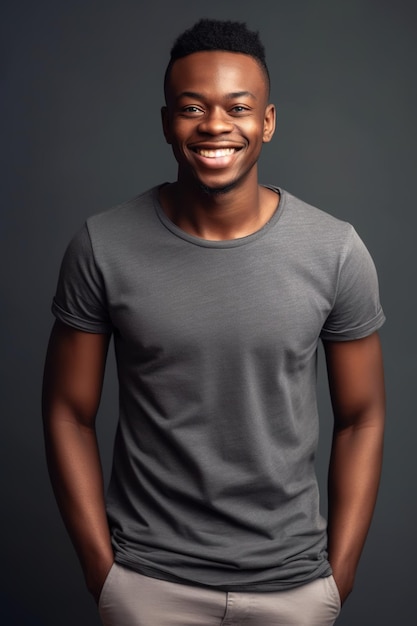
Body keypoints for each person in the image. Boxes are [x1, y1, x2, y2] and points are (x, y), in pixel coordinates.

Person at [42, 18, 386, 626]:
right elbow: (67, 411)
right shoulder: (102, 246)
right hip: (148, 583)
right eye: (192, 107)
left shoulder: (335, 251)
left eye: (239, 107)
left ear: (269, 122)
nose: (216, 125)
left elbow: (362, 416)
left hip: (294, 587)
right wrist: (103, 572)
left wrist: (340, 573)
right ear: (168, 123)